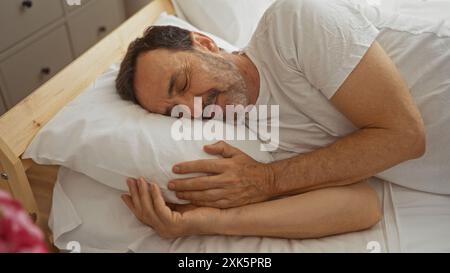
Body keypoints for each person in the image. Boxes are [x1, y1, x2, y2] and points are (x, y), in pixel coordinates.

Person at [114, 0, 437, 239]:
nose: (194, 109)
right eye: (175, 111)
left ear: (205, 44)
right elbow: (362, 206)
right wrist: (203, 222)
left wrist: (267, 181)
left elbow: (405, 136)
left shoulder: (293, 24)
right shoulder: (257, 134)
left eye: (183, 84)